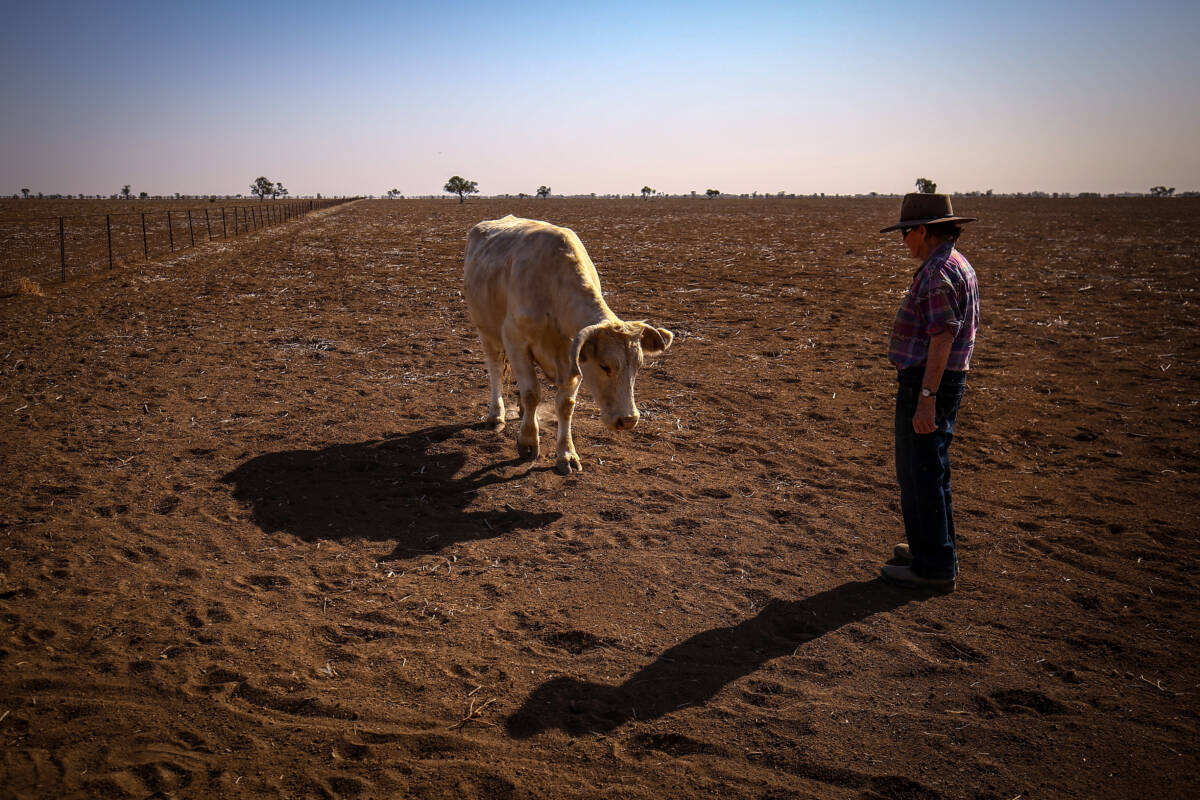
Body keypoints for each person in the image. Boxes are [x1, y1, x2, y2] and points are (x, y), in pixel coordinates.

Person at [878, 193, 979, 592]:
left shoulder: (937, 273)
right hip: (940, 380)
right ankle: (930, 549)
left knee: (920, 472)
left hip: (929, 381)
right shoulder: (956, 263)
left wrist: (926, 396)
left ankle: (934, 567)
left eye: (906, 233)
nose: (904, 242)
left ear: (922, 231)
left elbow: (941, 337)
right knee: (928, 470)